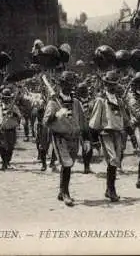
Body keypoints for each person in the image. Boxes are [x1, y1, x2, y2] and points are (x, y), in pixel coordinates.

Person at [43, 71, 86, 207]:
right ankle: (66, 193)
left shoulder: (76, 102)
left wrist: (87, 139)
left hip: (73, 137)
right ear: (61, 85)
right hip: (60, 136)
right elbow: (45, 121)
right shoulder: (53, 102)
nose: (69, 86)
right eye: (66, 84)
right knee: (66, 163)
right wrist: (56, 115)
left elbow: (82, 121)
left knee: (70, 164)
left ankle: (61, 191)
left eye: (71, 84)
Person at [89, 70, 130, 202]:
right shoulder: (101, 100)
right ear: (105, 84)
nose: (112, 87)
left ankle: (108, 189)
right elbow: (95, 120)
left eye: (114, 84)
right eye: (109, 84)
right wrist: (94, 138)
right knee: (112, 159)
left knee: (116, 160)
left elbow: (124, 117)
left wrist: (129, 129)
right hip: (106, 133)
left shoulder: (119, 100)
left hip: (118, 132)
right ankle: (111, 190)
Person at [0, 87, 22, 171]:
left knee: (10, 147)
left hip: (11, 130)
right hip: (2, 130)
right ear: (2, 98)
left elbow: (19, 116)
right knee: (2, 147)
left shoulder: (14, 107)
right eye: (4, 98)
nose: (6, 100)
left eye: (8, 99)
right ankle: (4, 162)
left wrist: (14, 114)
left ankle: (8, 161)